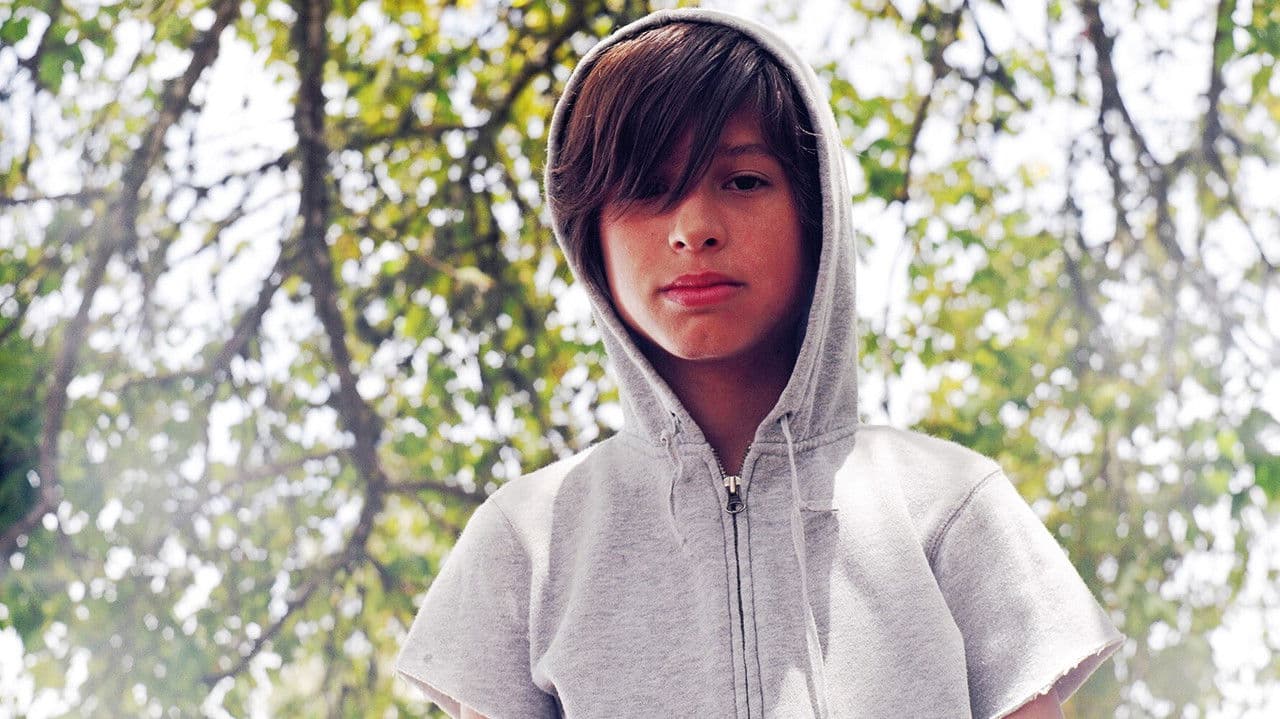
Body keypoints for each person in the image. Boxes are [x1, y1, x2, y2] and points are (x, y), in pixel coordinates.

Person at [396, 8, 1125, 718]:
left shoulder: (954, 505)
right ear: (588, 236)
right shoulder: (526, 541)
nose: (693, 229)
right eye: (647, 189)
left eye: (743, 181)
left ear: (816, 214)